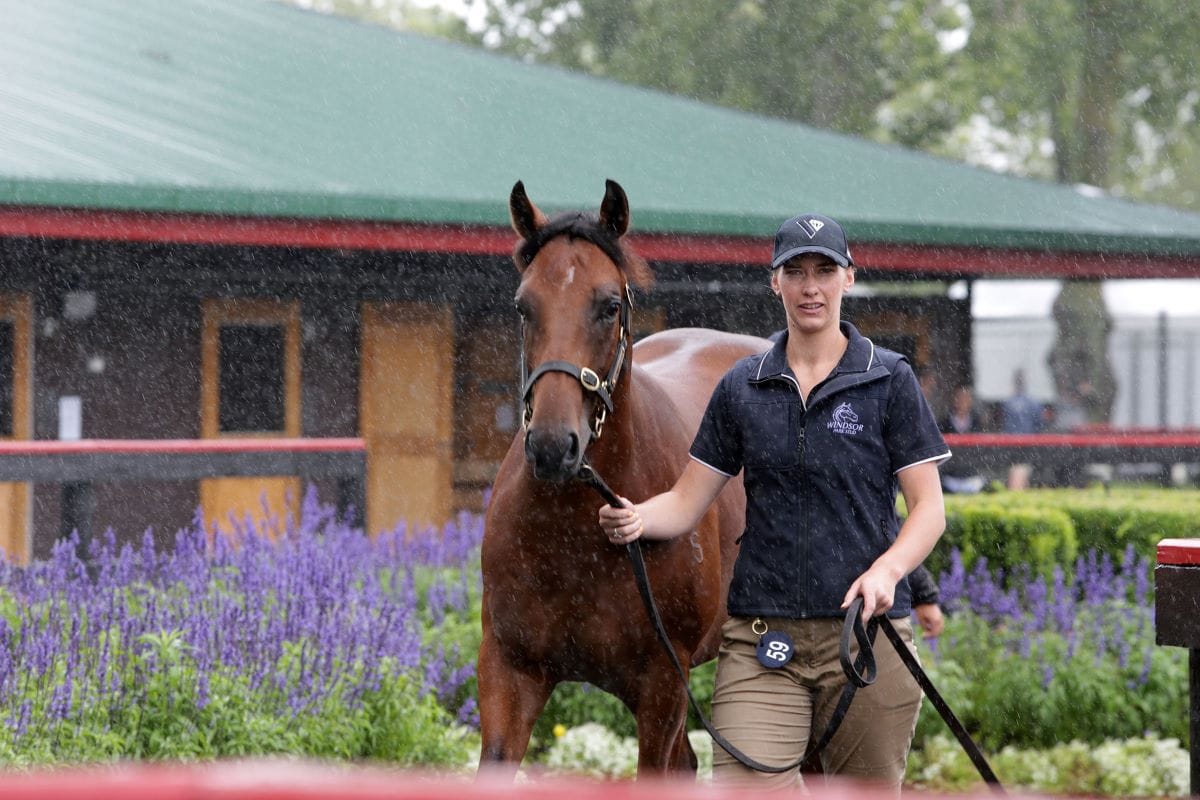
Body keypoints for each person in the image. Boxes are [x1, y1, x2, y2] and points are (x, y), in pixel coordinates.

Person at [598, 213, 949, 793]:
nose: (811, 286)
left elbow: (928, 509)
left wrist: (888, 571)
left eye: (824, 271)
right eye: (796, 272)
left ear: (848, 279)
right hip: (764, 640)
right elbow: (687, 501)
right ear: (775, 283)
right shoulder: (741, 387)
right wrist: (637, 517)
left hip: (867, 635)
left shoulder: (889, 380)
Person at [939, 385, 985, 494]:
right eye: (959, 397)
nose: (962, 401)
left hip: (972, 475)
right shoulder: (944, 423)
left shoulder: (977, 423)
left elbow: (981, 450)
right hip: (949, 476)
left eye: (966, 398)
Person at [1002, 369, 1042, 489]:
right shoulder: (1032, 403)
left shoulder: (1010, 403)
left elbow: (1006, 426)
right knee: (1020, 472)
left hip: (1022, 445)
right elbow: (1038, 425)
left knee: (1020, 472)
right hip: (1023, 445)